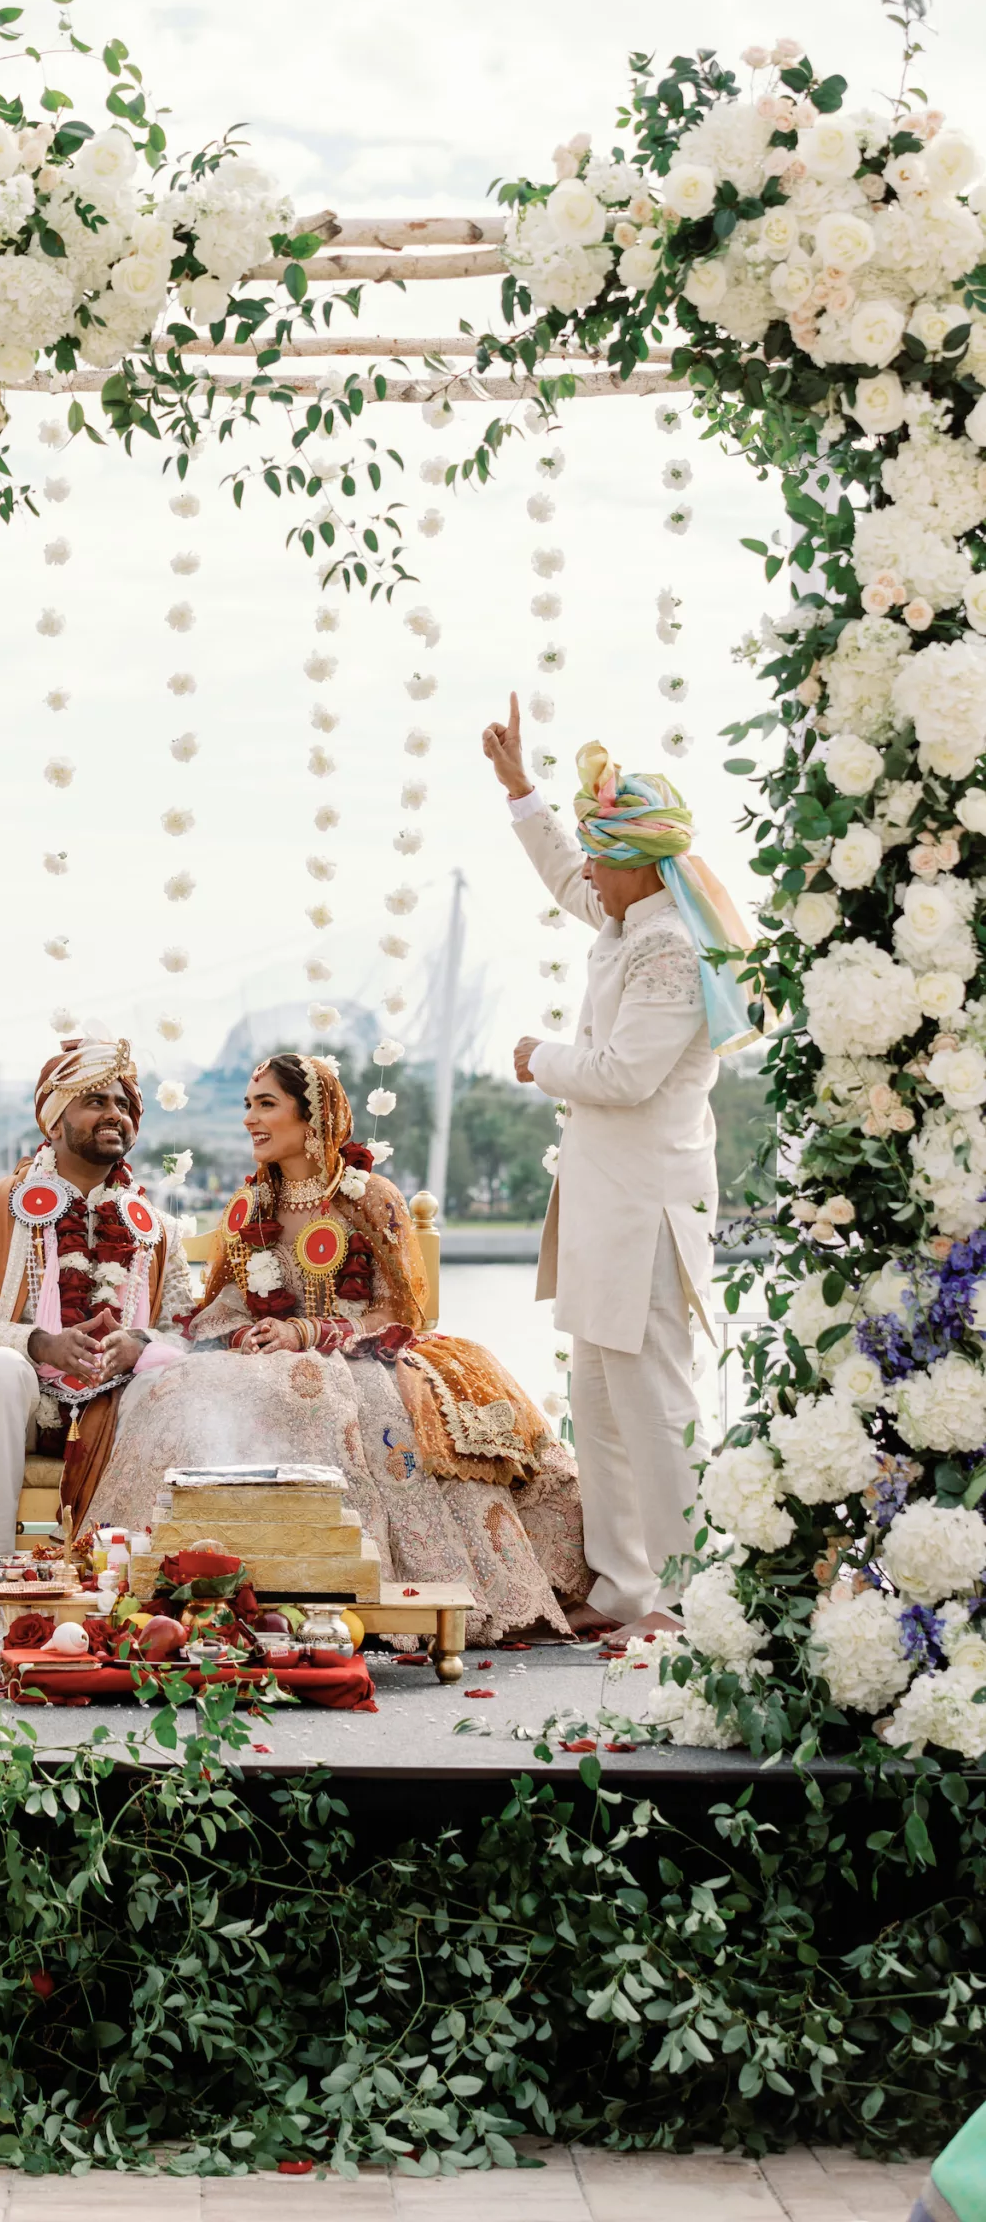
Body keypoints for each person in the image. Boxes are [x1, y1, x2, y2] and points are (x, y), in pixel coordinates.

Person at [87, 1053, 590, 1644]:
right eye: (247, 1106)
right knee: (173, 1392)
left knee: (321, 1401)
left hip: (361, 1359)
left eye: (266, 1105)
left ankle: (346, 1587)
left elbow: (400, 1311)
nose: (251, 1119)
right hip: (263, 1359)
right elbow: (224, 1303)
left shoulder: (369, 1197)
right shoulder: (249, 1205)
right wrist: (244, 1330)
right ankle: (181, 1579)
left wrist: (307, 1333)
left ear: (314, 1116)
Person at [482, 698, 758, 1641]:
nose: (591, 873)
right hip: (603, 1209)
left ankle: (689, 1596)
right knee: (595, 1397)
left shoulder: (674, 952)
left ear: (641, 864)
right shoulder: (630, 919)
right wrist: (520, 790)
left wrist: (536, 1058)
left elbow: (625, 1074)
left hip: (645, 1212)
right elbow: (567, 874)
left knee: (654, 1404)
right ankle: (621, 1585)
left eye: (606, 857)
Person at [0, 1036, 194, 1615]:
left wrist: (140, 1344)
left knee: (167, 1382)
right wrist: (37, 1342)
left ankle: (127, 1588)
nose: (114, 1115)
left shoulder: (158, 1229)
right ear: (53, 1119)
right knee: (0, 1368)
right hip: (13, 1409)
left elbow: (185, 1334)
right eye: (94, 1101)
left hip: (117, 1406)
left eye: (123, 1104)